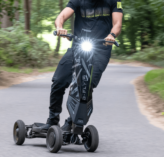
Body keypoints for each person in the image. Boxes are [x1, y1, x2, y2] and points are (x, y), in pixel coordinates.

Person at [38, 0, 123, 132]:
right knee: (58, 81)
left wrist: (111, 35)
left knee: (86, 86)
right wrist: (59, 27)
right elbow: (61, 16)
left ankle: (72, 122)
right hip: (78, 47)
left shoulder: (114, 1)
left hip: (101, 50)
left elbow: (117, 23)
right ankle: (52, 121)